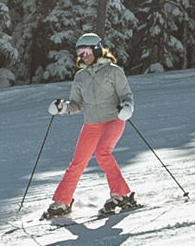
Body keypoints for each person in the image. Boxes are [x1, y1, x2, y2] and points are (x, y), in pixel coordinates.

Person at [41, 32, 138, 222]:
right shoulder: (81, 77)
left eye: (85, 52)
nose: (82, 56)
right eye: (79, 53)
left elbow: (127, 96)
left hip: (114, 119)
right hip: (92, 123)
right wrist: (62, 107)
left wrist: (127, 108)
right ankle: (62, 201)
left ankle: (121, 195)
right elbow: (76, 104)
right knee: (77, 162)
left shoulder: (113, 71)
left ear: (96, 50)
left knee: (103, 153)